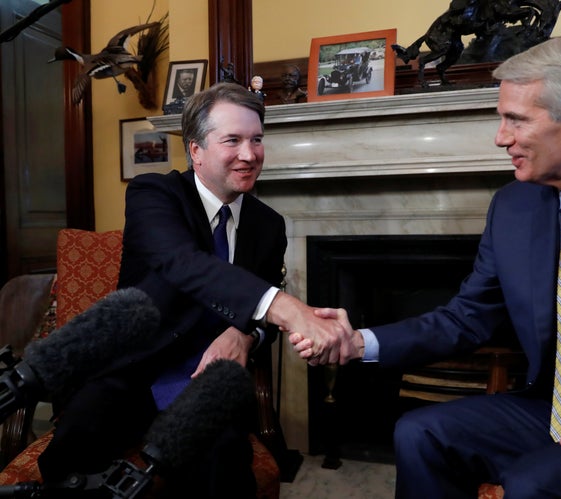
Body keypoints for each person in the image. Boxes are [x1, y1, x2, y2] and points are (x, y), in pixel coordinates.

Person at [293, 36, 561, 497]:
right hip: (556, 408)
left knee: (530, 484)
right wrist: (359, 343)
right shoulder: (514, 207)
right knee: (421, 434)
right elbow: (466, 318)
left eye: (515, 119)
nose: (501, 138)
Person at [36, 82, 344, 497]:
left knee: (223, 469)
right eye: (232, 140)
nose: (250, 155)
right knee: (68, 456)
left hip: (209, 385)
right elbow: (183, 264)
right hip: (135, 371)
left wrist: (245, 334)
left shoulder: (268, 225)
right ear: (195, 150)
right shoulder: (153, 195)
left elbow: (260, 325)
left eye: (257, 140)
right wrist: (284, 307)